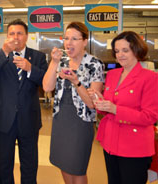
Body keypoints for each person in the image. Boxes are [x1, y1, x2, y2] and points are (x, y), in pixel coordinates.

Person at [89, 31, 158, 184]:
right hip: (110, 142)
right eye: (117, 51)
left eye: (125, 50)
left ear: (137, 50)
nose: (120, 55)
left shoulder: (150, 78)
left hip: (135, 146)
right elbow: (107, 108)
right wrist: (99, 101)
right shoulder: (113, 74)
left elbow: (150, 116)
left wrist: (115, 109)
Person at [0, 19, 48, 184]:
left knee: (29, 163)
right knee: (4, 162)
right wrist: (4, 52)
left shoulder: (38, 57)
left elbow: (46, 83)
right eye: (12, 33)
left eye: (19, 33)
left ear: (27, 36)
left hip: (29, 118)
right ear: (7, 36)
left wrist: (30, 68)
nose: (16, 37)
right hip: (4, 117)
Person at [42, 22, 104, 184]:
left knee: (77, 167)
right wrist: (54, 63)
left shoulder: (94, 64)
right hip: (61, 119)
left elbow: (92, 103)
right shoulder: (61, 62)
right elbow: (47, 86)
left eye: (75, 39)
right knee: (63, 163)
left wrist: (76, 82)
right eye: (66, 38)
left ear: (84, 41)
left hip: (81, 123)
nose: (69, 43)